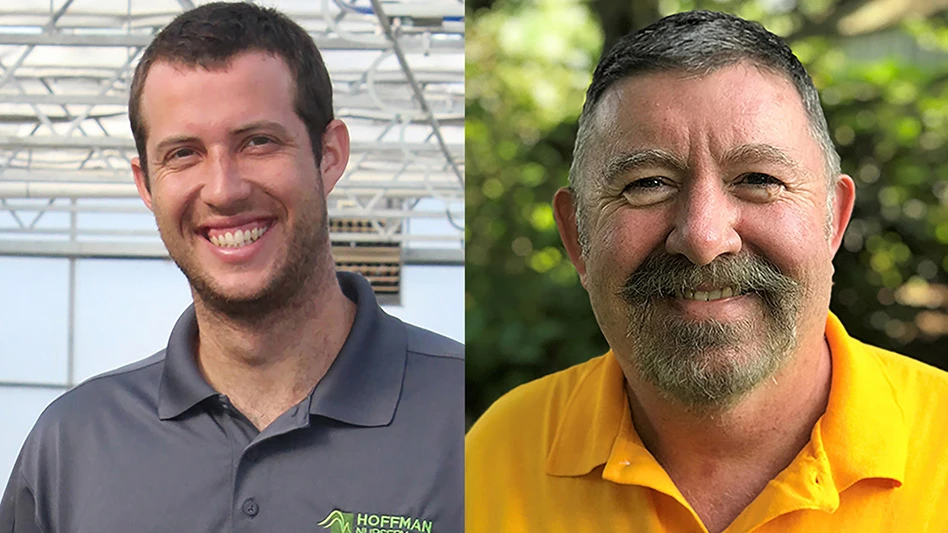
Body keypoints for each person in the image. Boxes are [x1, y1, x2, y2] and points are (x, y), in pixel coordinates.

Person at [466, 10, 948, 533]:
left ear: (833, 221)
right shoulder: (493, 458)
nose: (702, 237)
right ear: (577, 237)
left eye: (758, 178)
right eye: (647, 184)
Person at [0, 3, 462, 532]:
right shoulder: (74, 442)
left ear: (329, 155)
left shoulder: (462, 417)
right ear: (146, 184)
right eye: (182, 154)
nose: (224, 190)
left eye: (258, 142)